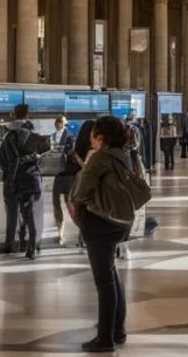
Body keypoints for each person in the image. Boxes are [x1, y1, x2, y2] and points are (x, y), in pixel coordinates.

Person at [69, 116, 143, 352]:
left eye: (93, 134)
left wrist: (76, 207)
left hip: (100, 223)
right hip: (118, 221)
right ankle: (117, 328)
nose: (90, 139)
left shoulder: (100, 157)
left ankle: (104, 338)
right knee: (111, 274)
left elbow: (81, 191)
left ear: (100, 137)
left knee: (104, 280)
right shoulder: (121, 154)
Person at [1, 108, 44, 259]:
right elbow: (40, 157)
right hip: (32, 179)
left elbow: (3, 160)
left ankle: (12, 245)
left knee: (15, 215)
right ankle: (31, 246)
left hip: (15, 181)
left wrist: (8, 177)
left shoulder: (8, 138)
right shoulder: (34, 138)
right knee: (31, 215)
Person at [0, 103, 31, 253]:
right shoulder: (30, 133)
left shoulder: (7, 134)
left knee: (11, 214)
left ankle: (9, 245)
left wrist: (7, 174)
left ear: (13, 114)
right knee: (25, 213)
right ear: (27, 114)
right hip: (26, 179)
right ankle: (24, 242)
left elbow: (1, 158)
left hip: (10, 181)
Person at [51, 116, 78, 247]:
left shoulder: (70, 137)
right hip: (57, 174)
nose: (57, 124)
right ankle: (60, 232)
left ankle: (81, 230)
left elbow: (72, 154)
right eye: (56, 122)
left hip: (67, 175)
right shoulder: (52, 136)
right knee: (56, 204)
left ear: (63, 123)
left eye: (60, 122)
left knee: (70, 203)